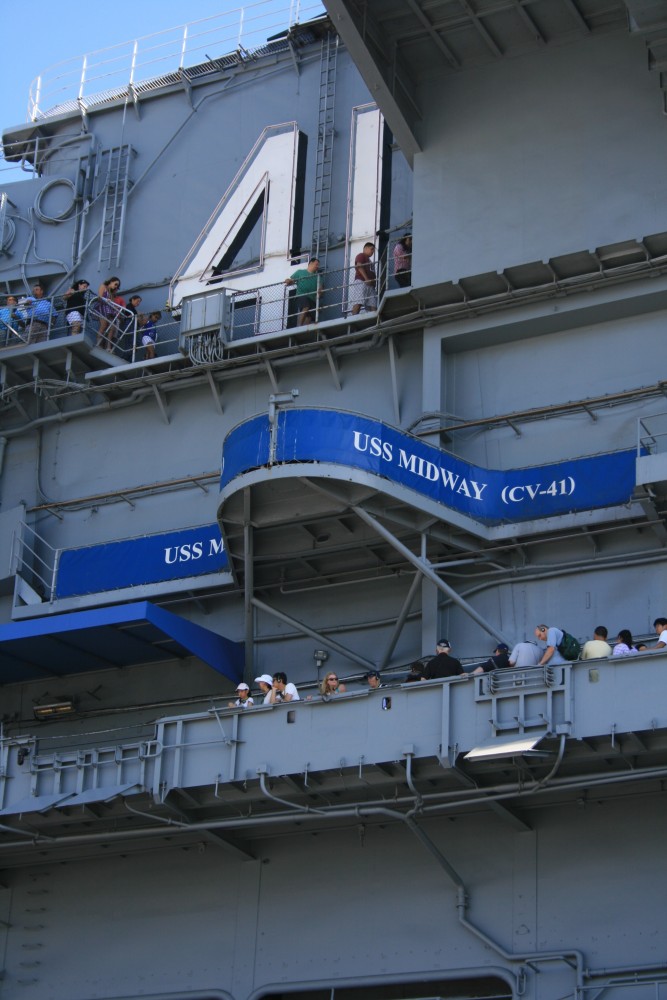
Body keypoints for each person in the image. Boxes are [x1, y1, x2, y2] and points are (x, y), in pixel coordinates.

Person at [284, 258, 321, 325]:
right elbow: (292, 280)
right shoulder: (300, 272)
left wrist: (319, 294)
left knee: (309, 316)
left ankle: (305, 329)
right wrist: (288, 281)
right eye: (316, 264)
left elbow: (321, 288)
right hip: (301, 295)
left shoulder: (318, 276)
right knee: (306, 307)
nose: (318, 266)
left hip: (312, 298)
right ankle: (300, 326)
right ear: (311, 263)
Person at [350, 242, 377, 315]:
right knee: (358, 302)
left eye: (373, 250)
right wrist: (366, 279)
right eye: (371, 249)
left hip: (370, 286)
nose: (373, 251)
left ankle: (374, 319)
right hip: (362, 282)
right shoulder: (361, 255)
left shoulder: (370, 261)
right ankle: (353, 318)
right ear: (365, 248)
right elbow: (359, 266)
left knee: (373, 305)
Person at [96, 277, 122, 349]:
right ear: (111, 281)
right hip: (102, 308)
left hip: (109, 310)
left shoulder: (111, 292)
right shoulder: (103, 286)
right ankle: (99, 343)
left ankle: (108, 346)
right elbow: (99, 297)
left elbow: (112, 302)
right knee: (103, 325)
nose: (116, 286)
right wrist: (106, 300)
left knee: (112, 328)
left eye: (117, 286)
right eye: (115, 284)